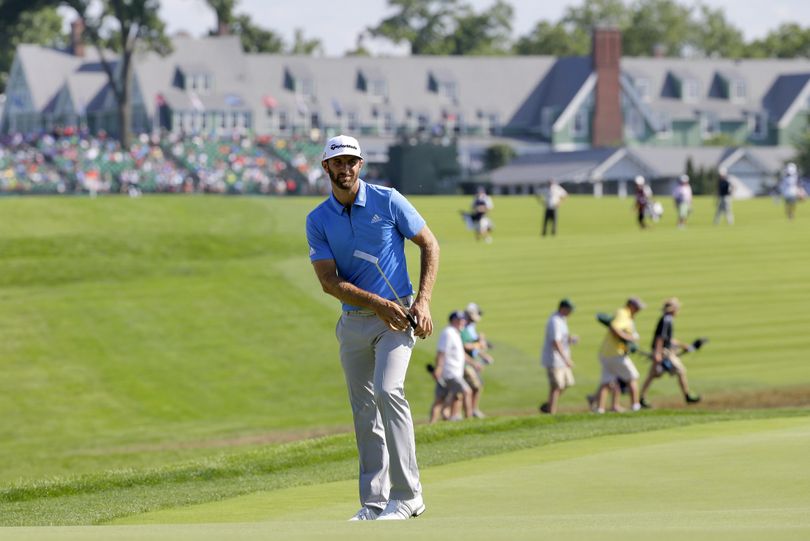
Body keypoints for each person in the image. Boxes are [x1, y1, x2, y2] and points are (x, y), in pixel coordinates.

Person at [306, 134, 439, 521]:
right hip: (355, 322)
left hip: (397, 320)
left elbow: (429, 244)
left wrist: (423, 300)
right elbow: (329, 282)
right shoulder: (318, 219)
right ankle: (374, 502)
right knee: (364, 409)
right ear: (326, 168)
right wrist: (376, 304)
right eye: (337, 163)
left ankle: (408, 495)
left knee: (388, 390)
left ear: (360, 165)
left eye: (352, 162)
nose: (345, 169)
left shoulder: (388, 200)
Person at [639, 298, 701, 408]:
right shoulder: (667, 320)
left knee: (653, 375)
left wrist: (684, 346)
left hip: (664, 351)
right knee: (680, 371)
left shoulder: (666, 319)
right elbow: (660, 338)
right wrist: (658, 354)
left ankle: (641, 398)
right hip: (664, 352)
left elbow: (669, 339)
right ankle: (687, 396)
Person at [594, 297, 645, 413]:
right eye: (637, 307)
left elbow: (616, 332)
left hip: (606, 353)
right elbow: (615, 328)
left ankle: (600, 409)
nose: (638, 310)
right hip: (616, 354)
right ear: (631, 306)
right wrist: (629, 338)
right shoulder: (623, 313)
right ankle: (636, 406)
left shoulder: (625, 315)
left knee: (606, 382)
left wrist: (627, 345)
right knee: (633, 377)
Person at [429, 311, 473, 423]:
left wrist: (474, 364)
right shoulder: (448, 333)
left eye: (463, 320)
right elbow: (441, 352)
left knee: (441, 399)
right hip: (450, 372)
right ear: (453, 321)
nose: (462, 322)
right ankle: (469, 419)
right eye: (459, 320)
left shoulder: (456, 333)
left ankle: (433, 423)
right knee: (466, 392)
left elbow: (461, 354)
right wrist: (439, 368)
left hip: (452, 372)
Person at [539, 298, 578, 414]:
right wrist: (566, 359)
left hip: (562, 359)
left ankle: (548, 405)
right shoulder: (554, 321)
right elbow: (555, 342)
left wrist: (570, 339)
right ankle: (551, 411)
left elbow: (562, 338)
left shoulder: (562, 319)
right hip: (554, 360)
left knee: (567, 383)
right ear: (563, 308)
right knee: (556, 386)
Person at [459, 302, 492, 418]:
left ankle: (472, 411)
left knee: (473, 388)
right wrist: (479, 344)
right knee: (470, 388)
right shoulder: (462, 328)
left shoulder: (470, 327)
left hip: (470, 362)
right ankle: (469, 413)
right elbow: (465, 346)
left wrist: (483, 355)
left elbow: (474, 345)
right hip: (464, 364)